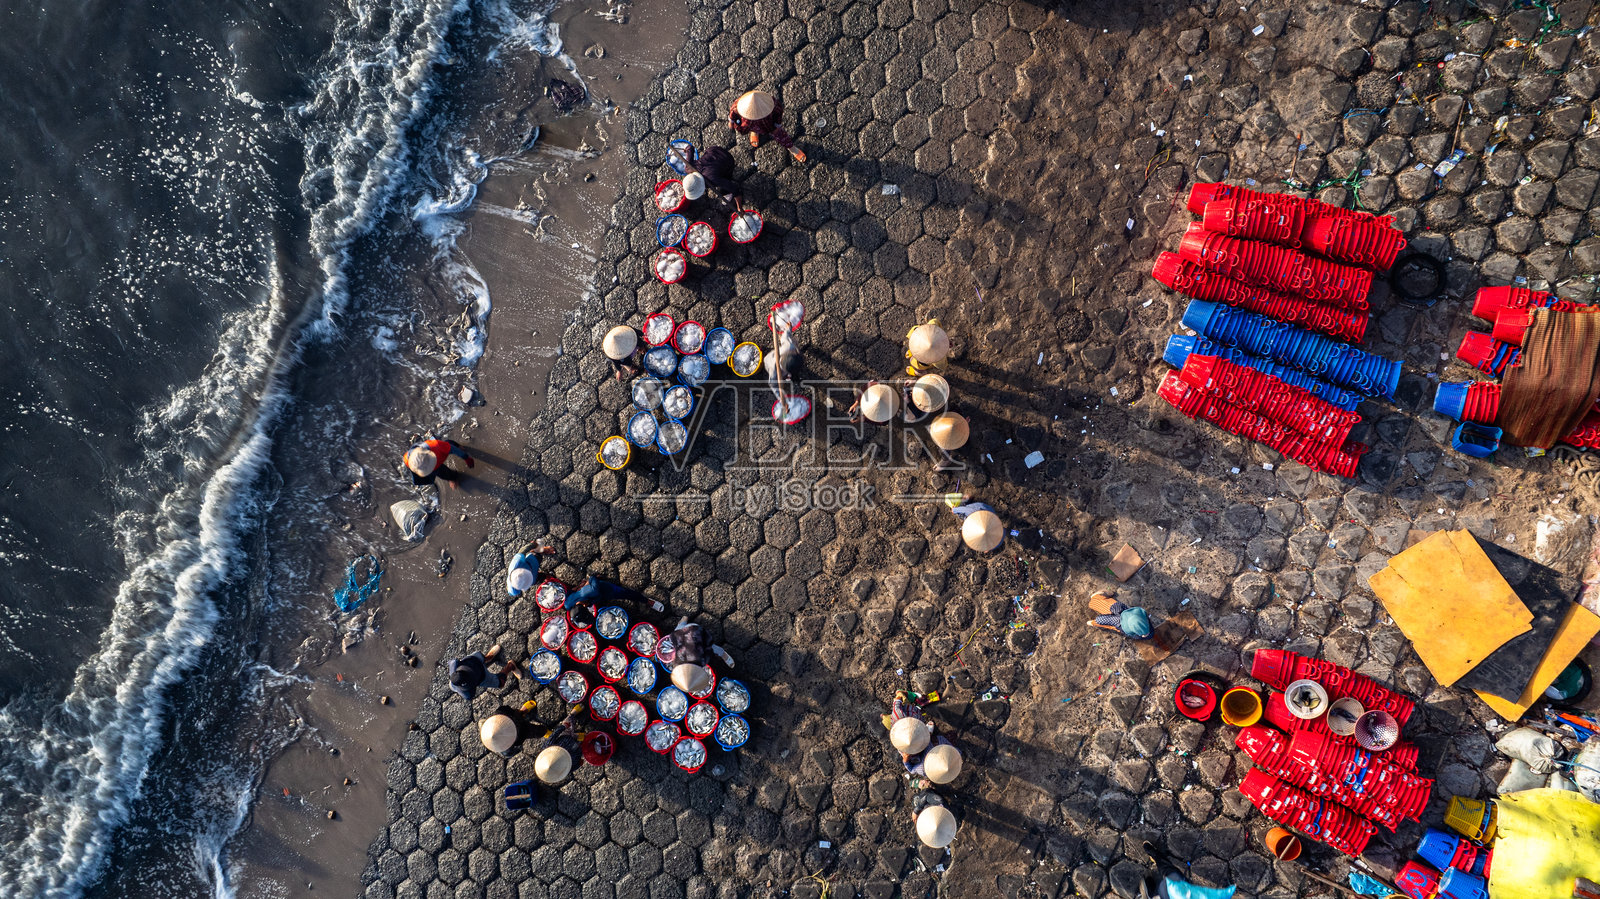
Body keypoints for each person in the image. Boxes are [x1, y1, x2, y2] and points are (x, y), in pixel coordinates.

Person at [729, 89, 806, 162]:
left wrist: (777, 125)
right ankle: (755, 132)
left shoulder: (772, 104)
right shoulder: (738, 105)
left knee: (781, 136)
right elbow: (733, 113)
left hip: (769, 125)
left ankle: (791, 148)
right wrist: (731, 122)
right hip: (750, 126)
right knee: (753, 129)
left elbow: (778, 113)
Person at [670, 616, 737, 692]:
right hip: (680, 634)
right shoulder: (677, 663)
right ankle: (683, 620)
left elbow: (709, 651)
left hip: (696, 632)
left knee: (713, 648)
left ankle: (723, 654)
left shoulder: (700, 659)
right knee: (679, 628)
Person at [449, 644, 516, 700]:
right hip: (478, 667)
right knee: (481, 657)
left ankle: (508, 665)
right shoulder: (454, 665)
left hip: (478, 667)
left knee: (500, 683)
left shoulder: (466, 693)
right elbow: (453, 661)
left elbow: (470, 695)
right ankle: (493, 659)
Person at [404, 437, 474, 488]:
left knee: (449, 444)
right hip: (434, 466)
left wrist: (466, 457)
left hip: (438, 450)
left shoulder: (436, 446)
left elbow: (452, 448)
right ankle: (452, 477)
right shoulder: (408, 461)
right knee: (443, 474)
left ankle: (458, 445)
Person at [1089, 590, 1153, 640]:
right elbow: (1102, 620)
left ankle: (1096, 599)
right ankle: (1092, 622)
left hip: (1124, 614)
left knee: (1112, 606)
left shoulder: (1136, 613)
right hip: (1119, 623)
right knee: (1106, 621)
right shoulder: (1119, 623)